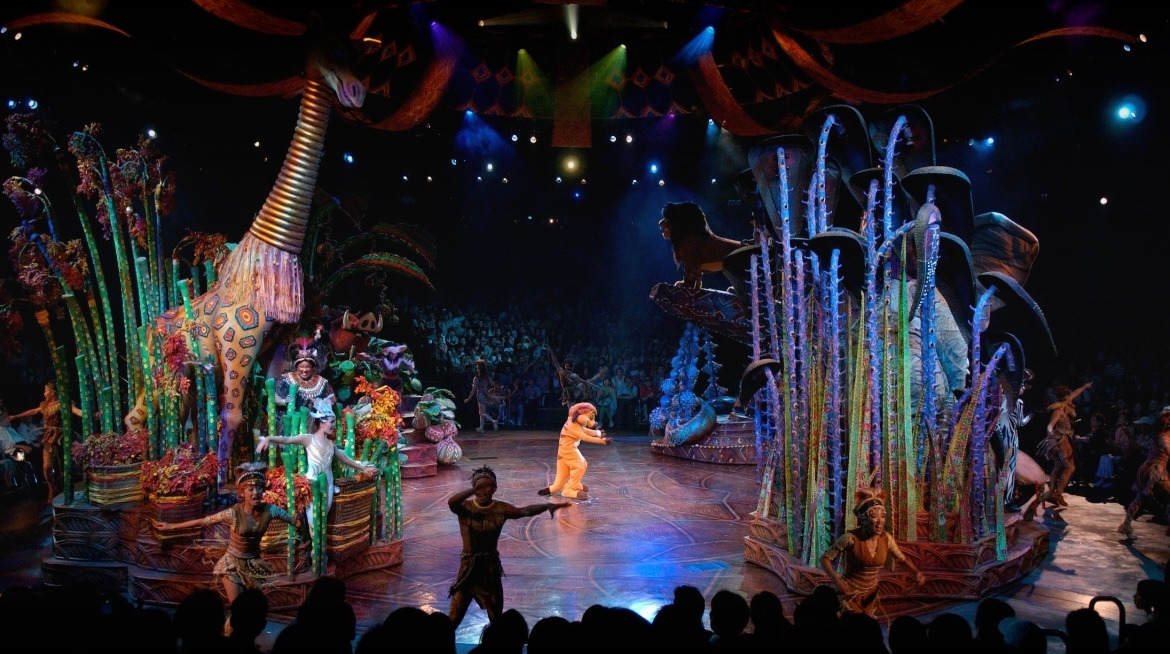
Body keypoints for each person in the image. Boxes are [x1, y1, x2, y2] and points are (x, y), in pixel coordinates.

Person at [155, 462, 300, 603]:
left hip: (253, 563)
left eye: (259, 488)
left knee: (251, 606)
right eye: (250, 489)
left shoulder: (271, 510)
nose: (256, 493)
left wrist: (297, 521)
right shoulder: (233, 513)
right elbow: (204, 521)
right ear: (242, 492)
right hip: (232, 565)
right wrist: (171, 526)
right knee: (238, 608)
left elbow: (292, 520)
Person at [447, 465, 568, 628]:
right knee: (453, 619)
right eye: (479, 487)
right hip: (468, 571)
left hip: (489, 570)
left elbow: (523, 511)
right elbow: (452, 502)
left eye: (487, 487)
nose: (483, 491)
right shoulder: (466, 508)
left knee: (497, 620)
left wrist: (547, 506)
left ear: (494, 489)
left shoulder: (500, 508)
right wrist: (473, 489)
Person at [256, 398, 377, 534]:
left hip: (329, 484)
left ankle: (321, 545)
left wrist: (363, 468)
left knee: (323, 518)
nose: (333, 425)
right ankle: (314, 544)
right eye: (331, 422)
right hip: (313, 484)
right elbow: (288, 439)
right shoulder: (309, 439)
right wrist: (268, 438)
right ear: (322, 423)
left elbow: (345, 459)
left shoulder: (331, 444)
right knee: (313, 521)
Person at [819, 487, 926, 618]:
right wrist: (836, 580)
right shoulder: (850, 538)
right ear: (864, 519)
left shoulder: (886, 539)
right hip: (849, 593)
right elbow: (824, 559)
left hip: (870, 595)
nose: (880, 521)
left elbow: (902, 559)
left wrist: (916, 572)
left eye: (882, 516)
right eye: (874, 517)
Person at [8, 382, 83, 502]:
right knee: (47, 467)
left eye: (46, 390)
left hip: (61, 438)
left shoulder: (63, 404)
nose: (44, 393)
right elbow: (34, 411)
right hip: (48, 438)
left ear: (53, 393)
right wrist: (16, 416)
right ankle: (52, 488)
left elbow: (77, 411)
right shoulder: (45, 405)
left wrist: (89, 415)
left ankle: (67, 490)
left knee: (63, 466)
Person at [537, 402, 612, 501]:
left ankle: (573, 484)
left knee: (582, 465)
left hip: (566, 451)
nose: (593, 422)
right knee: (580, 466)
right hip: (567, 451)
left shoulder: (575, 423)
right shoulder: (572, 425)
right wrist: (602, 441)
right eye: (590, 418)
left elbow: (584, 430)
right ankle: (568, 490)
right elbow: (584, 437)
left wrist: (597, 433)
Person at [1117, 406, 1170, 539]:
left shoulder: (1160, 436)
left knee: (1139, 498)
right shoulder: (1163, 438)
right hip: (1155, 470)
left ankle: (1126, 525)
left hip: (1146, 469)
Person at [1041, 381, 1091, 506]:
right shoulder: (1059, 410)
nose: (1071, 397)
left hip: (1066, 439)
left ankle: (1052, 493)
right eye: (1069, 395)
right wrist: (1050, 435)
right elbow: (1050, 425)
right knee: (1070, 467)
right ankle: (1057, 493)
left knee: (1058, 466)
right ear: (1065, 397)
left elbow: (1075, 393)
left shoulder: (1065, 405)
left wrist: (1085, 386)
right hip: (1062, 441)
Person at [274, 337, 335, 423]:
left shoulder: (322, 383)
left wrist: (319, 403)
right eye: (301, 367)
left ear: (312, 367)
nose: (304, 370)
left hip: (312, 423)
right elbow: (273, 397)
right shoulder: (286, 379)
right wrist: (283, 401)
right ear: (296, 367)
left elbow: (332, 401)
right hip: (290, 423)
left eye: (307, 367)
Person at [464, 359, 499, 433]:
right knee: (482, 412)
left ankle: (493, 421)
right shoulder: (487, 377)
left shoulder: (476, 378)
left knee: (482, 413)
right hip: (486, 394)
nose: (476, 369)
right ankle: (481, 427)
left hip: (480, 395)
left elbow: (473, 390)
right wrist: (490, 391)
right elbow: (493, 384)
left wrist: (468, 399)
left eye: (477, 368)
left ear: (480, 369)